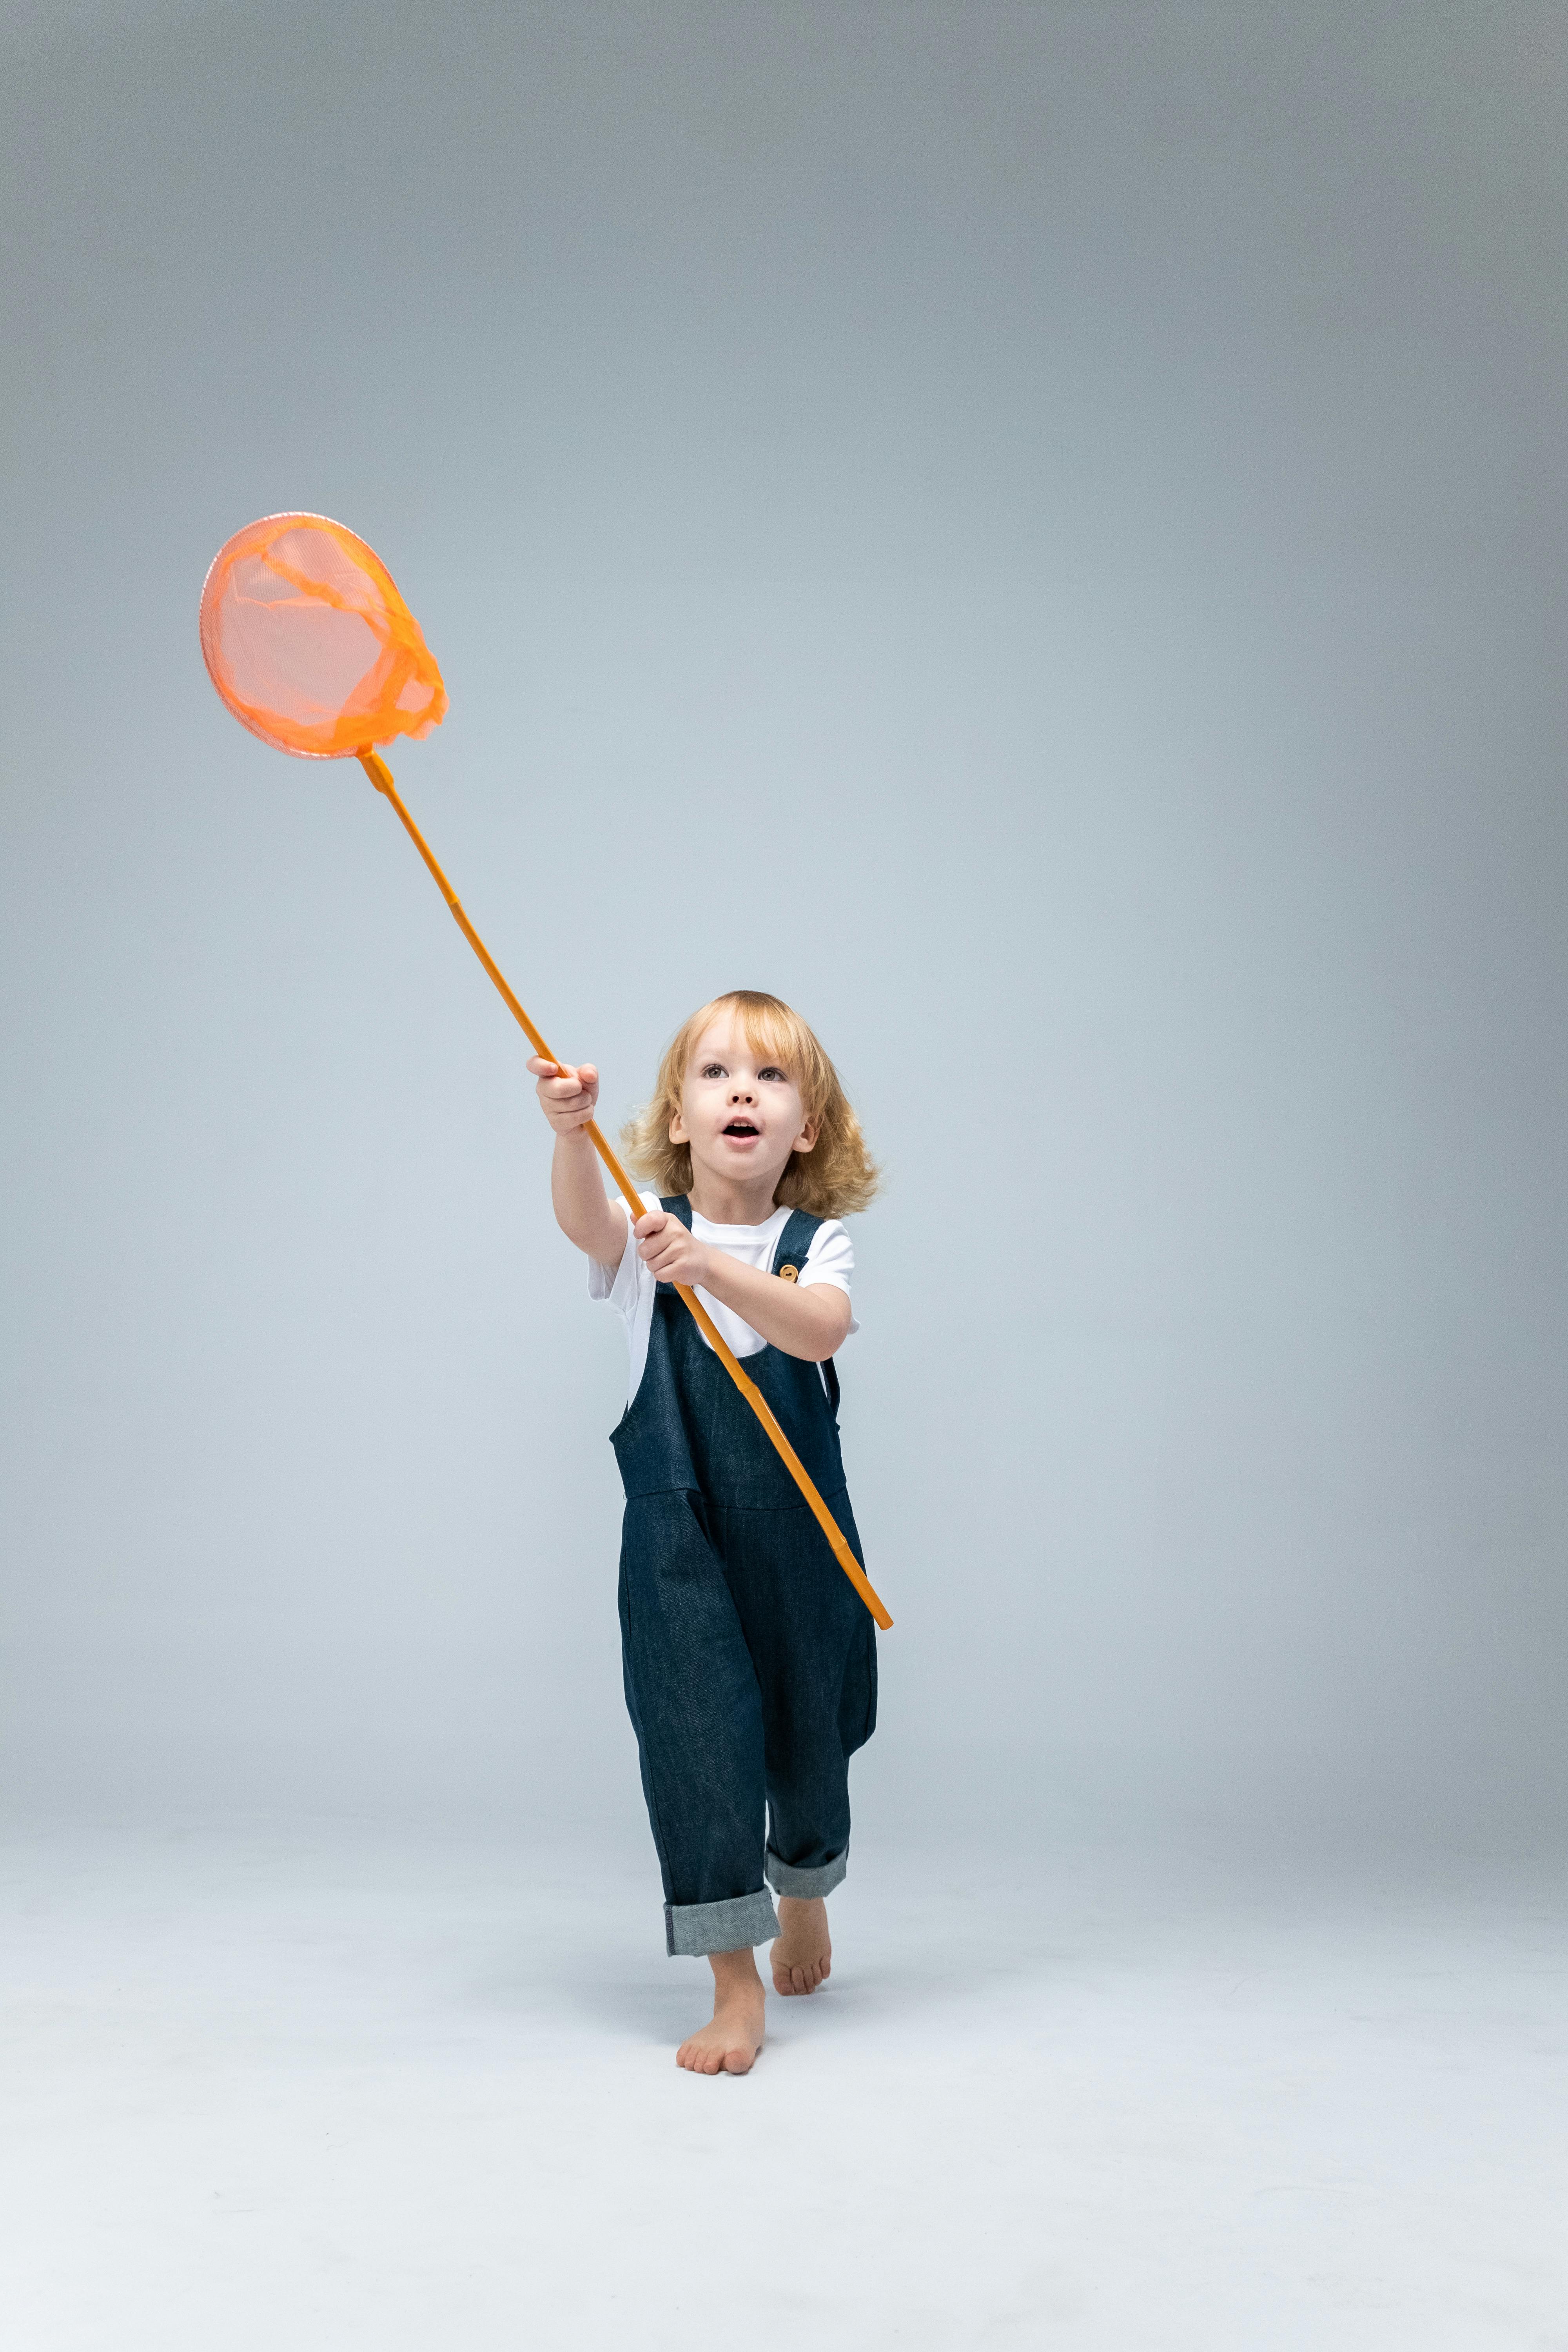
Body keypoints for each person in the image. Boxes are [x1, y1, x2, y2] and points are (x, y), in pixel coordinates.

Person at [528, 989, 881, 2075]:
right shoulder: (640, 1232)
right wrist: (572, 1137)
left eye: (772, 1078)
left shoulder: (814, 1249)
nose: (744, 1091)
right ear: (679, 1118)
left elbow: (817, 1329)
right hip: (676, 1547)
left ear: (805, 1126)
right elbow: (585, 1225)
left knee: (811, 1739)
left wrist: (713, 1266)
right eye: (718, 1073)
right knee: (699, 1748)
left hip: (799, 1547)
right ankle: (736, 1980)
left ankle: (806, 1883)